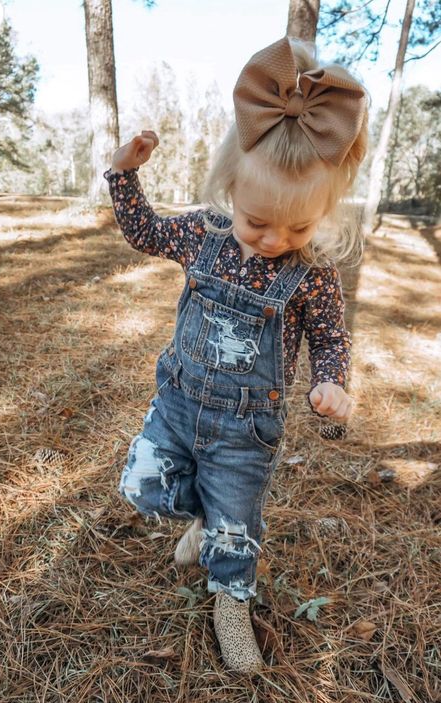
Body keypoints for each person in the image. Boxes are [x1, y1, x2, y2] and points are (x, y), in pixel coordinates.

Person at [103, 35, 369, 674]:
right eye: (259, 222)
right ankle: (201, 518)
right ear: (230, 189)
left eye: (298, 227)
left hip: (246, 431)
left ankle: (230, 601)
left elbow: (331, 337)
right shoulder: (203, 232)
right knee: (144, 485)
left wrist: (330, 380)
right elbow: (143, 232)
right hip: (178, 402)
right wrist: (123, 173)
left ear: (323, 214)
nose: (276, 239)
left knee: (236, 527)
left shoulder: (311, 276)